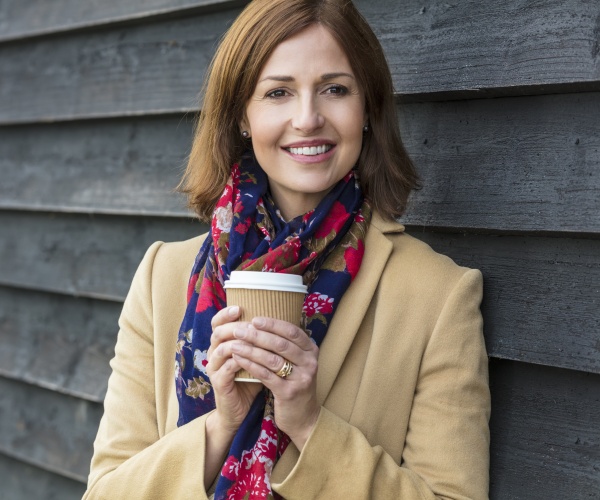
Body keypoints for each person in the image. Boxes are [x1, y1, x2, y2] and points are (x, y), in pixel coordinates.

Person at [84, 0, 490, 498]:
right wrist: (221, 424)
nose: (308, 118)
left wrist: (308, 423)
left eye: (335, 89)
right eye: (278, 92)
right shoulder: (162, 276)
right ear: (241, 117)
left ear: (368, 109)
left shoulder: (439, 295)